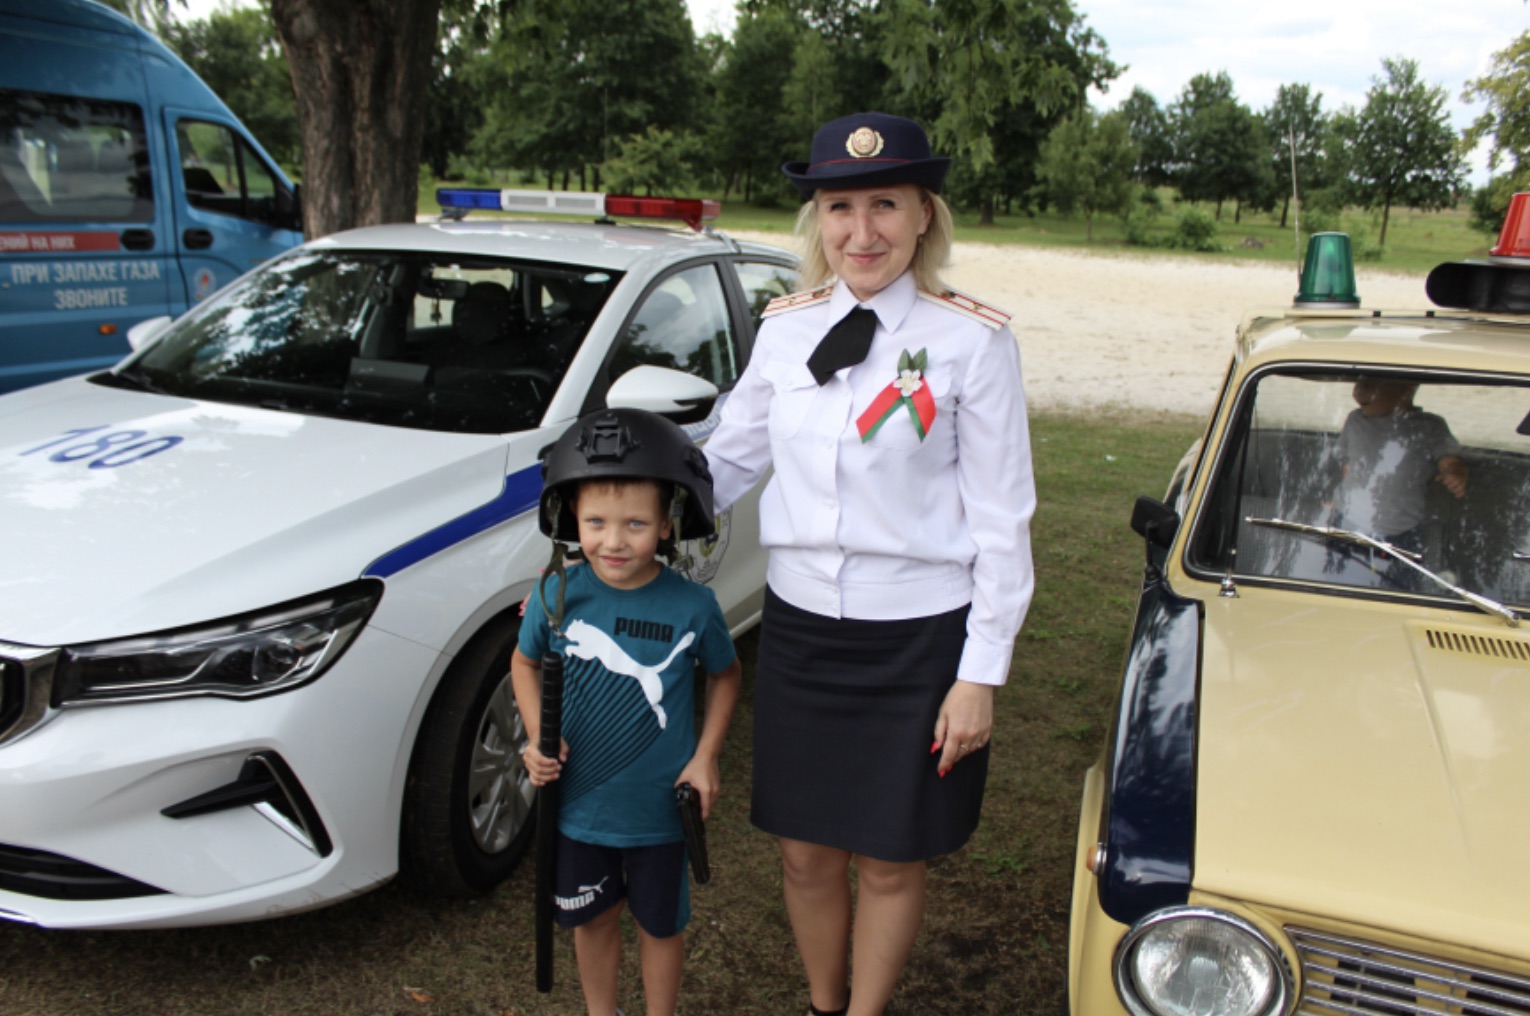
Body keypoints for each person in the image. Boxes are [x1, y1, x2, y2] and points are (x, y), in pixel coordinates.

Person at [702, 112, 1036, 1016]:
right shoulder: (786, 329)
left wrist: (980, 674)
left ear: (925, 213)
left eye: (884, 203)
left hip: (921, 638)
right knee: (804, 850)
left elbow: (1004, 523)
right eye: (839, 207)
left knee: (892, 856)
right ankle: (823, 1003)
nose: (861, 232)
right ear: (818, 218)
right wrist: (624, 490)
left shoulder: (971, 342)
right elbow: (726, 462)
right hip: (805, 632)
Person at [511, 408, 743, 1016]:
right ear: (571, 519)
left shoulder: (694, 606)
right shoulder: (557, 593)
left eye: (636, 523)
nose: (614, 541)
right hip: (579, 810)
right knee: (592, 921)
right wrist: (538, 736)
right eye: (596, 522)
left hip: (661, 814)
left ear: (667, 525)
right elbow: (523, 663)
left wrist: (706, 758)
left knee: (660, 927)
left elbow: (725, 674)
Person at [1337, 377, 1468, 552]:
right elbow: (1348, 465)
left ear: (1406, 388)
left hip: (1401, 530)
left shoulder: (1429, 426)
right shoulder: (1355, 420)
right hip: (1346, 521)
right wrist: (1340, 498)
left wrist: (1454, 474)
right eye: (1359, 381)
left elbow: (1449, 460)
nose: (1359, 390)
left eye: (1370, 384)